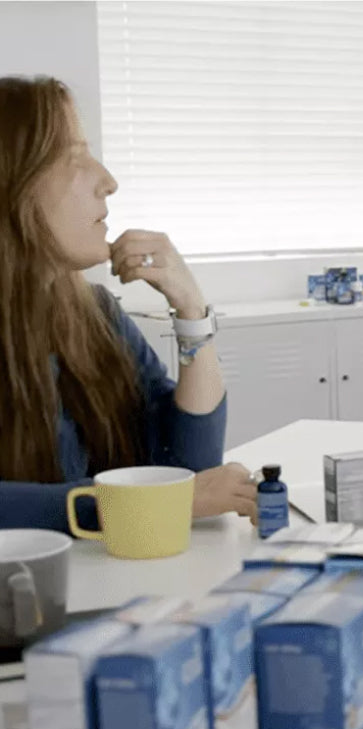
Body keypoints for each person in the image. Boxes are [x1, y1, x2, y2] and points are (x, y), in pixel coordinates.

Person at [0, 75, 257, 531]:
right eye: (74, 157)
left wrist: (192, 311)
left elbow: (187, 467)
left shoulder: (96, 314)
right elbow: (180, 494)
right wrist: (150, 501)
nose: (108, 182)